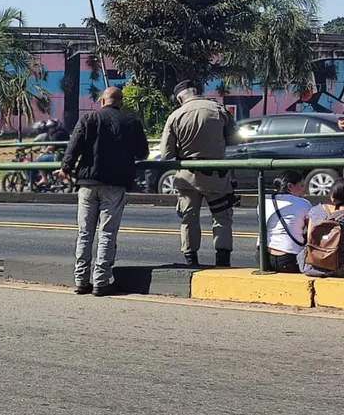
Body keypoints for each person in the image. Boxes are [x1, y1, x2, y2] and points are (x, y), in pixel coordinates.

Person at [59, 87, 149, 296]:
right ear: (121, 103)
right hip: (115, 184)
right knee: (107, 232)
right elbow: (143, 152)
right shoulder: (131, 122)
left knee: (85, 233)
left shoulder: (89, 118)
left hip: (88, 183)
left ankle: (81, 280)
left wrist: (66, 168)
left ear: (102, 102)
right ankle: (101, 281)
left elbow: (74, 145)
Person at [160, 81, 239, 267]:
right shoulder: (219, 110)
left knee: (189, 219)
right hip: (216, 177)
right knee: (221, 217)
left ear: (180, 98)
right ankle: (222, 260)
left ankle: (191, 261)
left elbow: (166, 154)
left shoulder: (175, 116)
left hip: (187, 178)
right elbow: (234, 140)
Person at [262, 171, 309, 273]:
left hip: (263, 258)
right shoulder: (303, 203)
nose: (304, 190)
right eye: (301, 186)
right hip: (290, 260)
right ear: (290, 186)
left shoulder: (264, 200)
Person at [299, 178, 344, 277]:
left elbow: (309, 238)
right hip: (340, 268)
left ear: (332, 196)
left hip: (312, 266)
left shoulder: (316, 210)